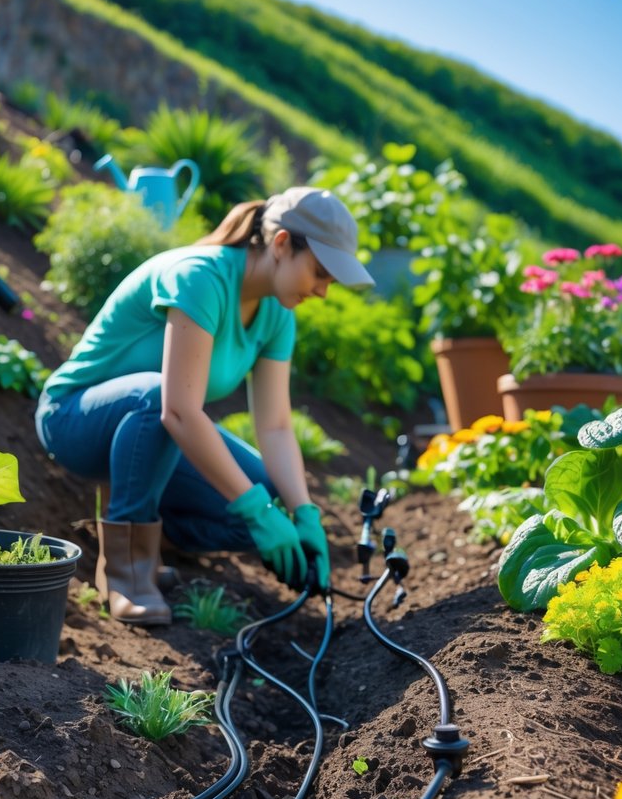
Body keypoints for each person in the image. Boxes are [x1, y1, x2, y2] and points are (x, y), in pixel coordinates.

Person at [34, 186, 374, 626]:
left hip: (152, 433)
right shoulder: (201, 277)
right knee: (162, 399)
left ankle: (155, 541)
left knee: (269, 494)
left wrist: (303, 512)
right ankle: (126, 574)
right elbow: (177, 410)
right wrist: (254, 510)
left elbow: (275, 427)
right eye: (320, 273)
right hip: (74, 420)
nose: (324, 291)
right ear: (282, 244)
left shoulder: (277, 315)